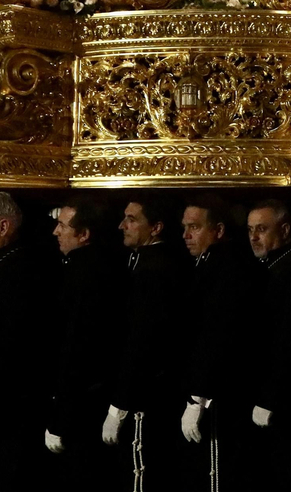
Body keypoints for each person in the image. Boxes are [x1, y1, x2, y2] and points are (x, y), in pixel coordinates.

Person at [0, 191, 58, 488]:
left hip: (12, 413)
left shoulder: (14, 275)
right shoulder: (8, 266)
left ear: (3, 227)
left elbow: (0, 351)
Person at [106, 197, 189, 492]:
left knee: (140, 475)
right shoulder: (145, 262)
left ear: (155, 228)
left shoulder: (155, 269)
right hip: (152, 390)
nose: (122, 225)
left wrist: (119, 406)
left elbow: (141, 340)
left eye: (131, 219)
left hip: (147, 396)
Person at [45, 196, 121, 486]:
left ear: (84, 234)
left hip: (81, 407)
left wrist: (60, 418)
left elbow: (75, 348)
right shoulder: (101, 268)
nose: (56, 232)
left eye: (63, 226)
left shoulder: (83, 275)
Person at [174, 198, 250, 488]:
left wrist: (198, 395)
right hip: (209, 390)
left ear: (218, 230)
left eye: (194, 227)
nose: (186, 235)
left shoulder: (226, 267)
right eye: (185, 227)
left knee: (216, 474)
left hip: (217, 394)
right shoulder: (208, 264)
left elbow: (215, 334)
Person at [244, 199, 291, 484]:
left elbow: (286, 340)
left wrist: (268, 399)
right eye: (250, 230)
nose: (254, 237)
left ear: (285, 230)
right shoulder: (273, 267)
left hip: (287, 401)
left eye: (261, 229)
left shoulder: (290, 271)